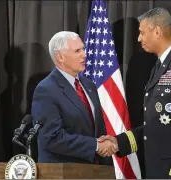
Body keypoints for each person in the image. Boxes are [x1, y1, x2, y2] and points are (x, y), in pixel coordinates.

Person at [99, 7, 171, 178]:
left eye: (142, 32)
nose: (139, 38)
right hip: (158, 170)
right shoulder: (160, 66)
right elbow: (158, 125)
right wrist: (120, 142)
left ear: (157, 31)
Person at [31, 31, 117, 164]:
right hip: (63, 171)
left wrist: (106, 144)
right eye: (77, 51)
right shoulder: (46, 90)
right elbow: (51, 137)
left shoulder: (89, 85)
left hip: (95, 170)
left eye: (83, 49)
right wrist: (95, 145)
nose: (84, 54)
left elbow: (95, 129)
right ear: (60, 57)